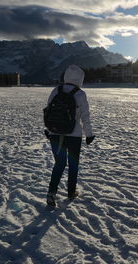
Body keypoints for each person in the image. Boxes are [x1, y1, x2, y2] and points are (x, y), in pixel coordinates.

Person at [44, 65, 95, 207]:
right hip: (74, 136)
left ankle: (51, 193)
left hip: (55, 134)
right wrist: (89, 134)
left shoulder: (56, 90)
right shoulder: (80, 94)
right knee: (73, 164)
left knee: (59, 164)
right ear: (80, 78)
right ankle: (71, 192)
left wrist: (48, 129)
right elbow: (85, 117)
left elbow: (48, 111)